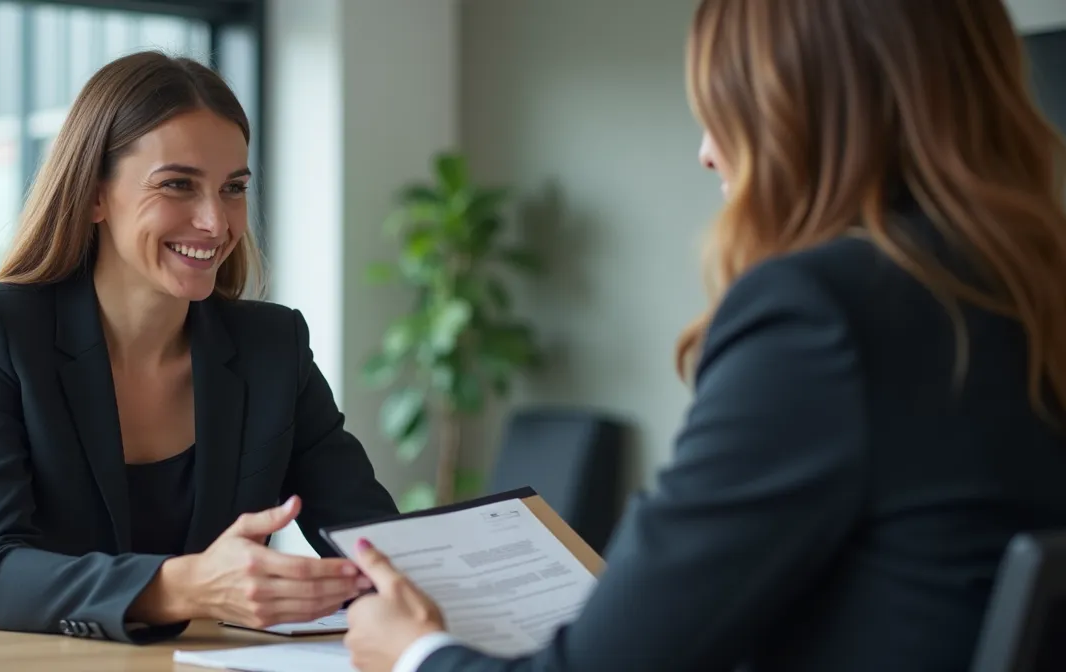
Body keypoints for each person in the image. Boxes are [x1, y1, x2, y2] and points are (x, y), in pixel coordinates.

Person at [341, 0, 1066, 670]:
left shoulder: (822, 315)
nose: (707, 151)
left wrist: (415, 653)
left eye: (727, 110)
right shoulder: (1024, 291)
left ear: (807, 116)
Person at [0, 51, 399, 644]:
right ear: (94, 195)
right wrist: (187, 586)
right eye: (177, 185)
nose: (215, 222)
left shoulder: (273, 347)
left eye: (233, 189)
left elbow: (374, 543)